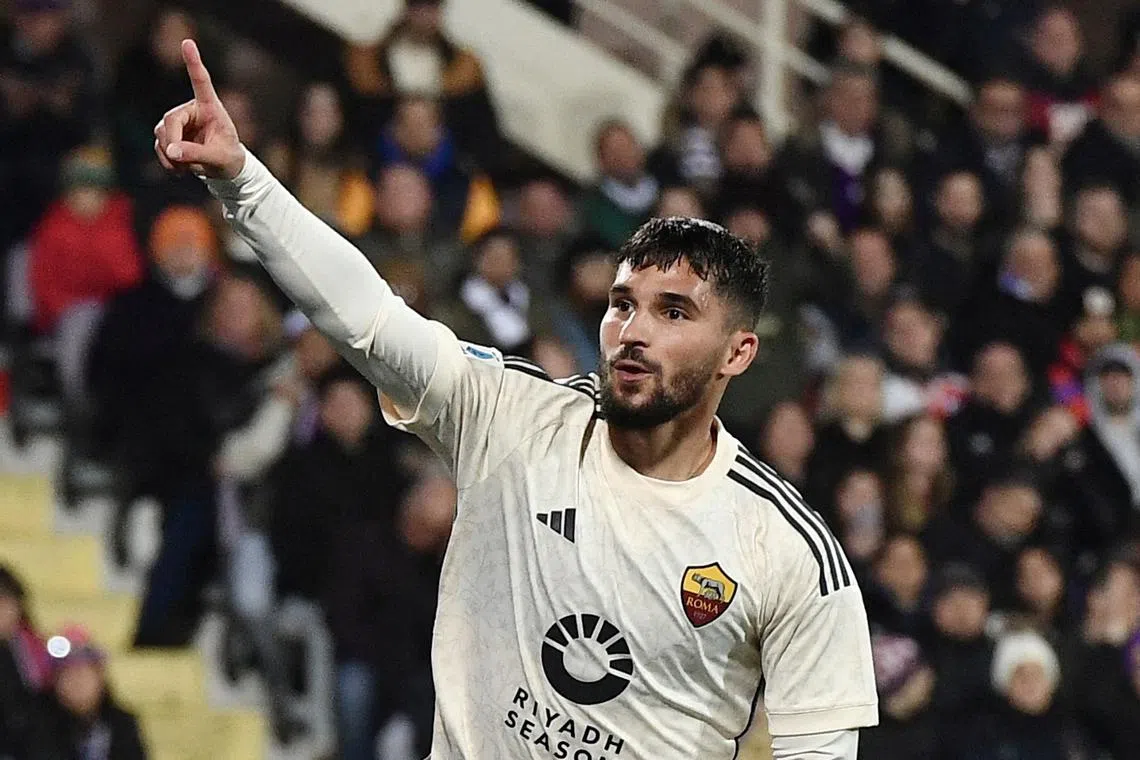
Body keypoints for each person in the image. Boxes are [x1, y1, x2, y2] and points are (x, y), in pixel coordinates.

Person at [153, 40, 878, 758]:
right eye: (622, 304)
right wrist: (243, 183)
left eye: (674, 313)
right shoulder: (510, 416)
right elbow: (369, 318)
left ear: (738, 353)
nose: (632, 332)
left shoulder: (788, 550)